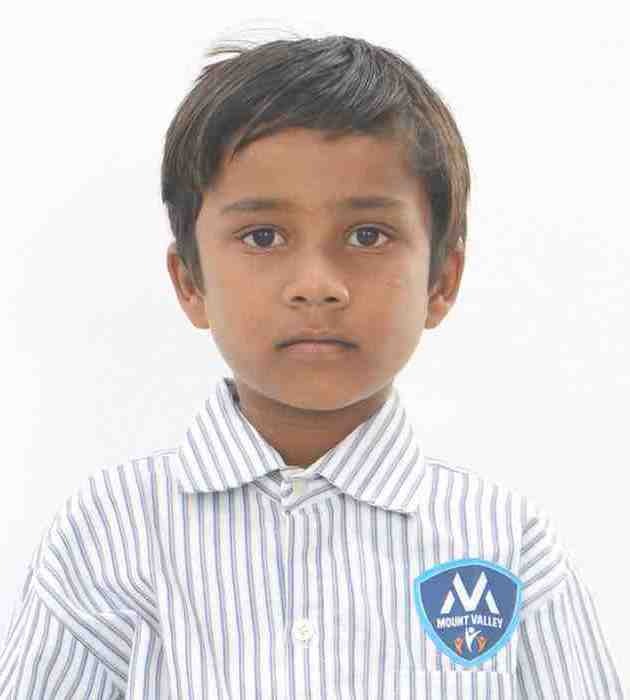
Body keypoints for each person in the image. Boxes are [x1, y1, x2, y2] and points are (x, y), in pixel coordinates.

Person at [0, 28, 624, 700]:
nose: (316, 285)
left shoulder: (505, 543)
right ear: (190, 282)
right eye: (263, 236)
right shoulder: (109, 533)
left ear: (442, 281)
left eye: (367, 235)